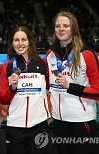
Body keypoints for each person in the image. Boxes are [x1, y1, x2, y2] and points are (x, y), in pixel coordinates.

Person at [46, 11, 99, 154]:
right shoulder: (50, 54)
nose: (61, 29)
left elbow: (98, 91)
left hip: (81, 121)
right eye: (58, 26)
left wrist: (70, 87)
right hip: (58, 120)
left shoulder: (87, 53)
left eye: (66, 26)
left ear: (73, 29)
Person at [0, 26, 50, 154]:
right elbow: (3, 98)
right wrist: (12, 88)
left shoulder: (43, 64)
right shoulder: (6, 67)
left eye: (23, 39)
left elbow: (49, 88)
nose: (20, 44)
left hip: (39, 125)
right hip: (15, 126)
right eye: (16, 40)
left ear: (30, 41)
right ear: (12, 43)